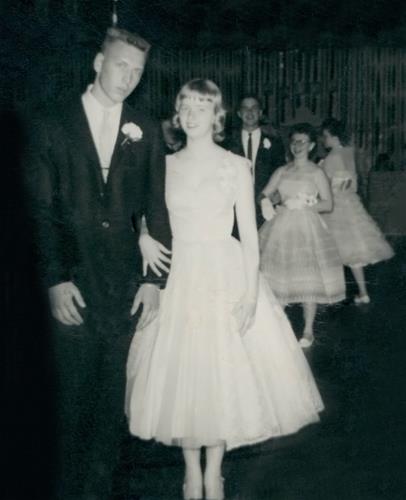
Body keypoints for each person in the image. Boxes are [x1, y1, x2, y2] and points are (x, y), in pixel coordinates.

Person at [126, 80, 324, 500]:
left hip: (222, 270)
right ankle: (190, 473)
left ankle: (213, 473)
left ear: (217, 116)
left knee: (219, 371)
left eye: (202, 106)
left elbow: (249, 236)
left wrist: (250, 294)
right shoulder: (163, 163)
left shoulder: (236, 165)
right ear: (177, 114)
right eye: (186, 106)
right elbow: (145, 213)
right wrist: (142, 234)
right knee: (184, 372)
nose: (192, 114)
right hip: (178, 272)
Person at [26, 27, 171, 499]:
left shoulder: (145, 129)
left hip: (123, 288)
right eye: (121, 65)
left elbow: (156, 208)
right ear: (97, 62)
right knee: (68, 402)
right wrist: (54, 279)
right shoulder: (52, 123)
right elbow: (39, 210)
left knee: (111, 406)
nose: (128, 77)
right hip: (72, 284)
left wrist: (152, 281)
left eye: (137, 71)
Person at [258, 123, 346, 348]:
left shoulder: (316, 172)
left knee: (308, 278)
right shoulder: (282, 171)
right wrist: (268, 202)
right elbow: (265, 194)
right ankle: (278, 326)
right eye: (294, 141)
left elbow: (328, 204)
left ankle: (308, 330)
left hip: (306, 227)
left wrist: (306, 205)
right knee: (278, 276)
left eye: (302, 142)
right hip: (281, 226)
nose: (297, 146)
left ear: (312, 145)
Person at [320, 118, 394, 304]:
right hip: (351, 204)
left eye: (325, 136)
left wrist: (320, 170)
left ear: (334, 136)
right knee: (353, 254)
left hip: (335, 206)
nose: (323, 140)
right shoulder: (348, 153)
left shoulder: (331, 157)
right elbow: (352, 184)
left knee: (329, 250)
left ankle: (331, 293)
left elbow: (325, 187)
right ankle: (363, 292)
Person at [227, 95, 286, 227]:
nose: (250, 112)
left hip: (265, 205)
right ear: (239, 113)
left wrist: (278, 193)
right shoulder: (228, 142)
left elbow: (281, 170)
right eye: (245, 108)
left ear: (260, 113)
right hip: (234, 204)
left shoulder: (274, 141)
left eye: (254, 108)